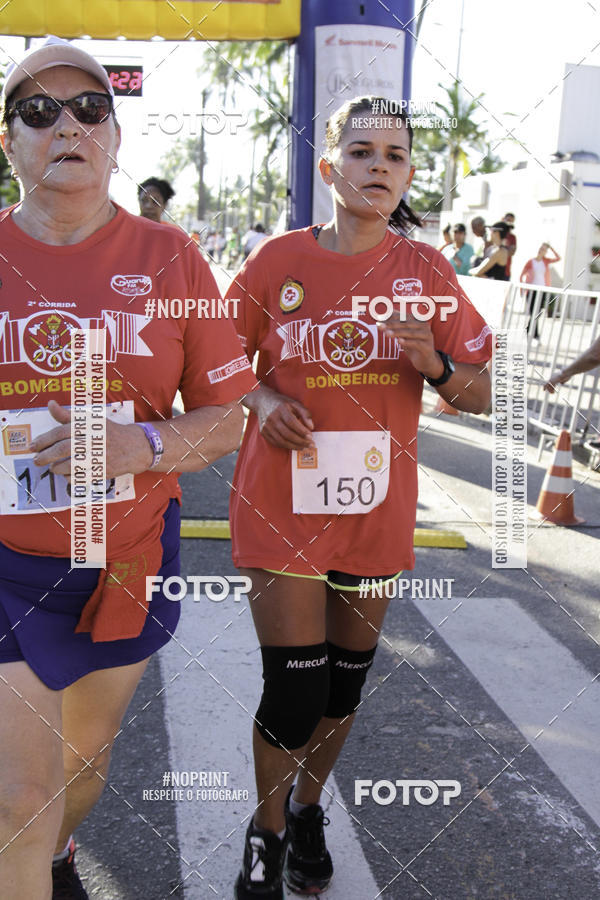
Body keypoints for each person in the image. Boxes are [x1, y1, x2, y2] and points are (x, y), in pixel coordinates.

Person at [0, 36, 256, 900]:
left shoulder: (172, 259)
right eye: (37, 111)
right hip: (5, 569)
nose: (65, 124)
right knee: (20, 799)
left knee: (83, 762)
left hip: (125, 560)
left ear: (113, 135)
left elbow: (228, 417)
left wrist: (140, 447)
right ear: (9, 142)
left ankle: (59, 853)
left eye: (88, 108)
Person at [226, 95, 492, 900]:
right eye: (362, 151)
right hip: (283, 505)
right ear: (329, 165)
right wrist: (266, 404)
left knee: (344, 687)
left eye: (395, 156)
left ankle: (309, 809)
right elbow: (213, 368)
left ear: (408, 173)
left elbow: (481, 392)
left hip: (374, 514)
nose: (379, 167)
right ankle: (267, 831)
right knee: (297, 687)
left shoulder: (427, 274)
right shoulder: (277, 263)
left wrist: (437, 367)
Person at [520, 243, 561, 338]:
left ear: (545, 252)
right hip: (531, 290)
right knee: (532, 312)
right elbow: (522, 275)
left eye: (543, 249)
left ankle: (530, 332)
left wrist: (551, 248)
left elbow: (558, 258)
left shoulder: (545, 261)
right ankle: (533, 333)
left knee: (537, 312)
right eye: (540, 248)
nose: (541, 250)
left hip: (542, 290)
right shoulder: (531, 262)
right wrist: (522, 289)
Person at [502, 212, 517, 279]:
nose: (509, 223)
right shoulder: (497, 234)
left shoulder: (512, 237)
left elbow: (512, 252)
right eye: (508, 220)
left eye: (511, 221)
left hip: (505, 272)